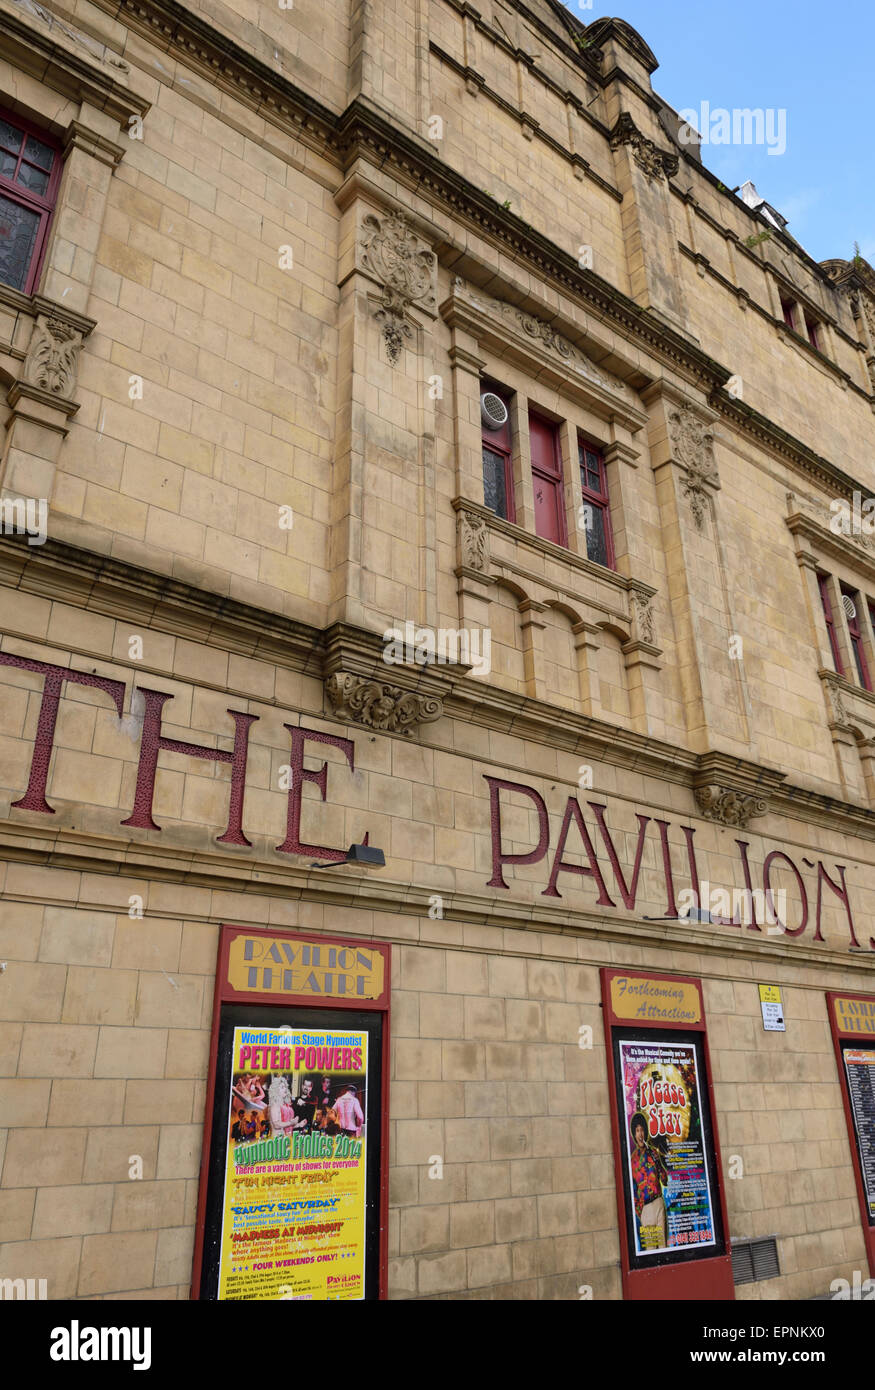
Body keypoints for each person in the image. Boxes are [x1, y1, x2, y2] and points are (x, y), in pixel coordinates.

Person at [629, 1112, 668, 1250]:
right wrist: (642, 1212)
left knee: (663, 1247)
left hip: (658, 1203)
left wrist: (658, 1163)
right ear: (634, 1134)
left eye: (642, 1130)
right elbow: (633, 1189)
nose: (640, 1134)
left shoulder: (653, 1152)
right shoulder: (632, 1160)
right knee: (651, 1250)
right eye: (637, 1130)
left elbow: (665, 1180)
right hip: (645, 1209)